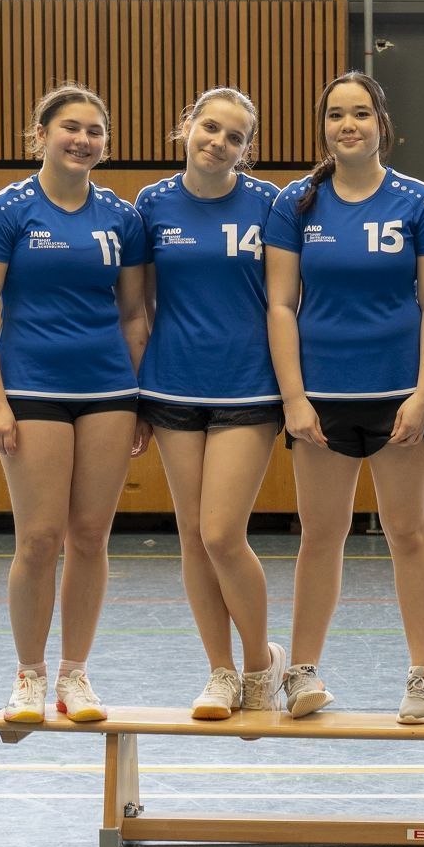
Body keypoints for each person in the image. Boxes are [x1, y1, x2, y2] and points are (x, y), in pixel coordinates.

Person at [264, 72, 424, 724]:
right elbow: (281, 305)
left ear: (382, 123)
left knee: (407, 532)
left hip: (399, 393)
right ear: (324, 126)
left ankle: (423, 676)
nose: (349, 124)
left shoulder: (419, 201)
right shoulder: (296, 203)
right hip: (320, 398)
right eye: (337, 114)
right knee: (321, 535)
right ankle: (303, 673)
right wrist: (294, 399)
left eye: (361, 113)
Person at [0, 84, 148, 724]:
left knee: (90, 536)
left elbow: (132, 314)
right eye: (71, 127)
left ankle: (76, 675)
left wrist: (139, 395)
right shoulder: (5, 211)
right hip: (32, 389)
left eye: (95, 131)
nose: (83, 140)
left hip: (107, 392)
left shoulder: (120, 217)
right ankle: (29, 676)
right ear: (40, 134)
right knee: (39, 538)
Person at [136, 87, 288, 719]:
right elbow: (137, 305)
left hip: (248, 387)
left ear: (245, 149)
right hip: (171, 385)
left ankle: (261, 663)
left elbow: (288, 299)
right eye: (210, 128)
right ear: (186, 126)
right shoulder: (150, 204)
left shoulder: (270, 205)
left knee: (222, 532)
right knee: (192, 538)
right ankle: (219, 672)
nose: (218, 142)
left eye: (234, 136)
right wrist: (135, 395)